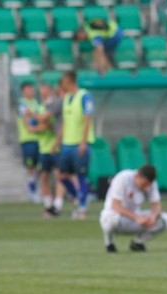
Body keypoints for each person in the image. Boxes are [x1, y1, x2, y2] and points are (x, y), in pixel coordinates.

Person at [99, 165, 167, 253]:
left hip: (135, 218)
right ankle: (109, 243)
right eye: (144, 184)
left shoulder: (151, 184)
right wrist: (137, 218)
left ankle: (137, 243)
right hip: (117, 217)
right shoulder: (122, 178)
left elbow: (156, 204)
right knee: (110, 219)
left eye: (148, 185)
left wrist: (153, 217)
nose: (146, 187)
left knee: (166, 219)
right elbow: (116, 206)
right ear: (138, 176)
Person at [57, 71, 95, 220]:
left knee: (81, 175)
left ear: (69, 80)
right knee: (62, 175)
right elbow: (65, 122)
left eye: (63, 81)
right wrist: (57, 141)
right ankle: (78, 199)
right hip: (67, 143)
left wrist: (84, 142)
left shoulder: (85, 96)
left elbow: (87, 119)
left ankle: (83, 207)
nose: (62, 84)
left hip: (80, 143)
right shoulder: (66, 98)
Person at [35, 82, 61, 217]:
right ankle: (48, 204)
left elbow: (48, 125)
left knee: (58, 175)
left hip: (54, 147)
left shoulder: (54, 106)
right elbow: (41, 125)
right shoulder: (40, 107)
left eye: (45, 92)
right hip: (43, 147)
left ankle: (58, 204)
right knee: (44, 176)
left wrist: (33, 120)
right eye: (41, 93)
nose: (43, 95)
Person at [16, 82, 42, 202]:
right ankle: (32, 189)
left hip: (39, 139)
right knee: (30, 166)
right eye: (28, 89)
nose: (31, 91)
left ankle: (34, 187)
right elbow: (28, 122)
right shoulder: (22, 104)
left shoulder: (36, 103)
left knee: (39, 166)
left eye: (31, 88)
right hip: (27, 139)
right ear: (23, 91)